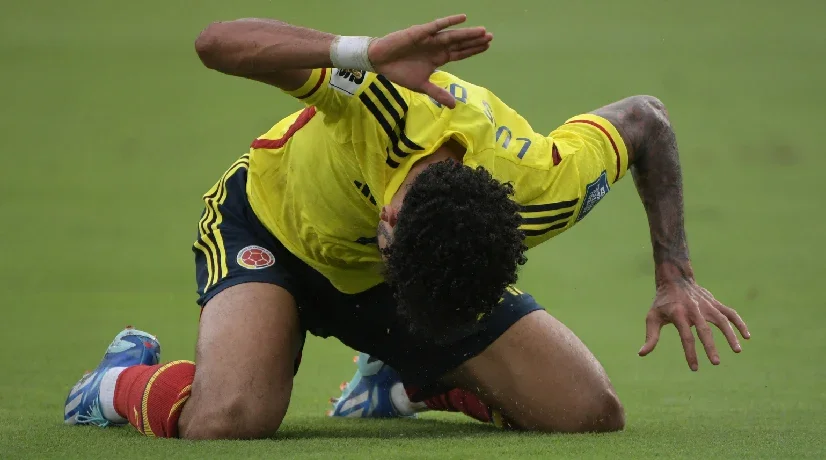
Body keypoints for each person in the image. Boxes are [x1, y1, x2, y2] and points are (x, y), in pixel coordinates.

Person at [63, 14, 750, 439]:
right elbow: (215, 44)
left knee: (588, 412)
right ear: (387, 218)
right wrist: (357, 52)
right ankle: (116, 382)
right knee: (230, 420)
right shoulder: (376, 104)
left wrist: (675, 274)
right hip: (270, 230)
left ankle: (402, 383)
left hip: (405, 269)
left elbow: (647, 121)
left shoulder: (545, 185)